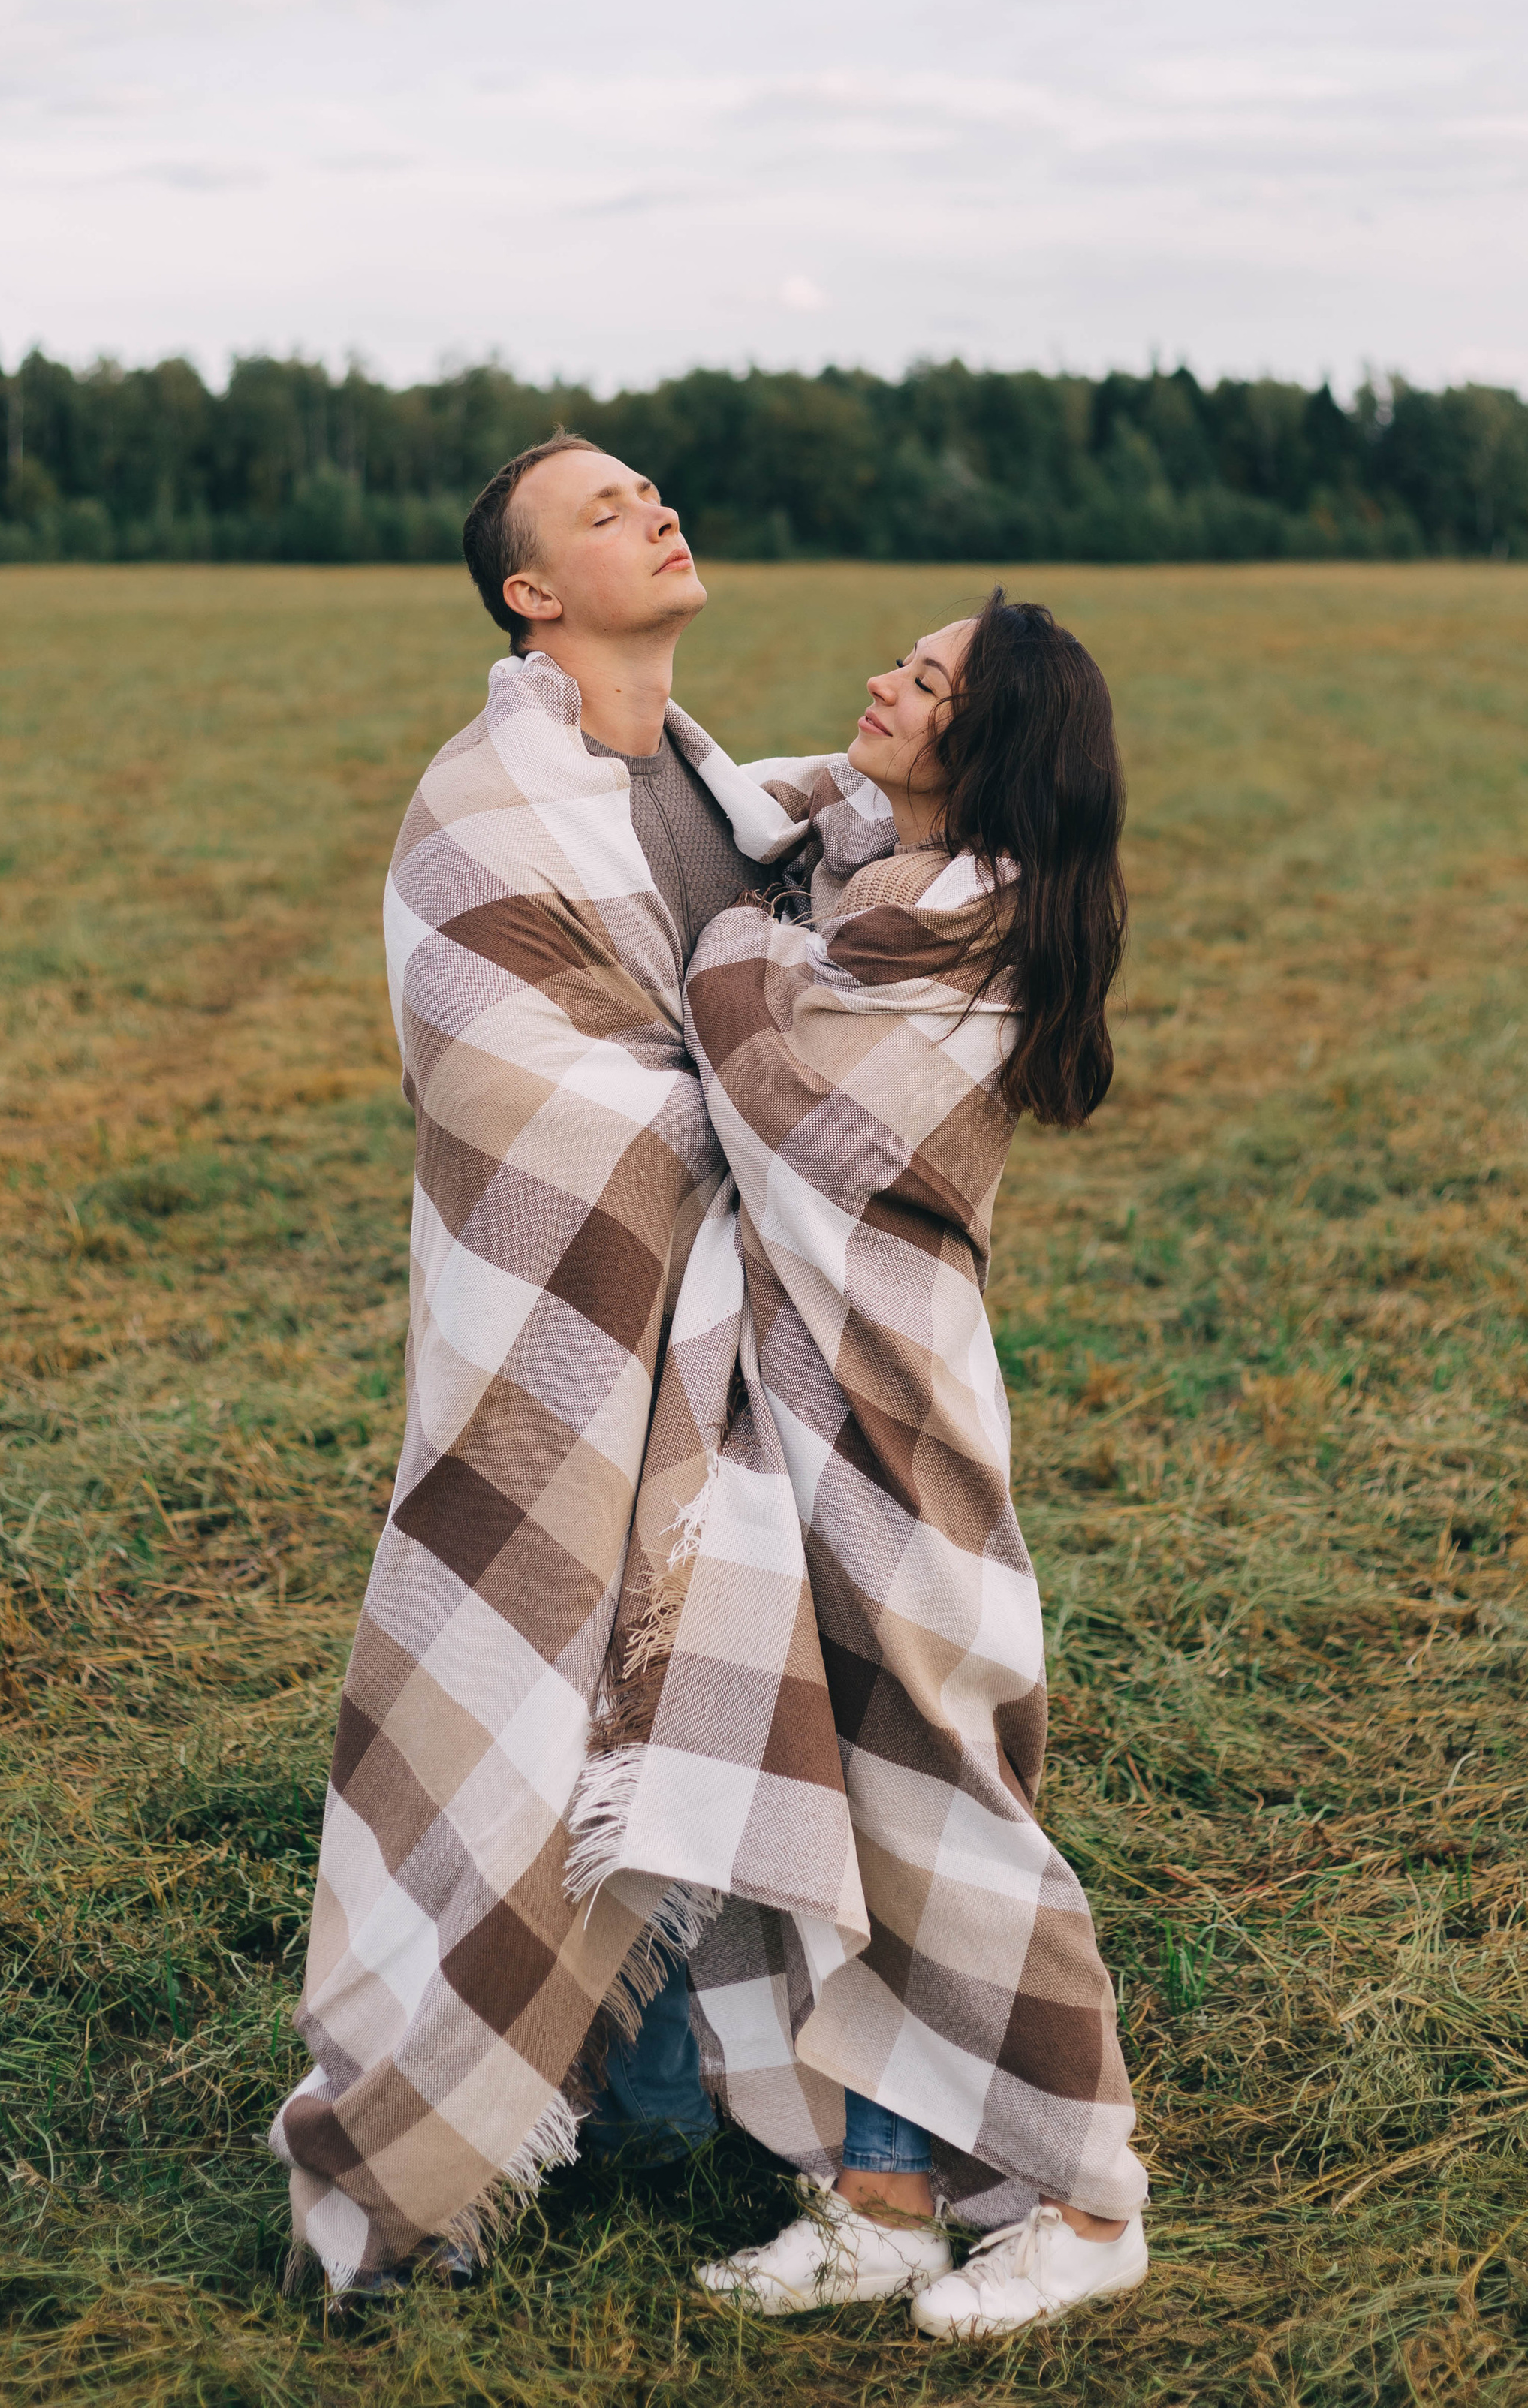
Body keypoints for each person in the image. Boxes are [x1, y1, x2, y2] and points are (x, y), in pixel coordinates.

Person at [270, 432, 819, 2287]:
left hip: (726, 1319)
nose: (655, 507)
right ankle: (499, 2088)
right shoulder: (485, 803)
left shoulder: (709, 783)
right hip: (561, 1328)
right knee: (546, 1675)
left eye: (654, 487)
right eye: (602, 510)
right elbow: (503, 1072)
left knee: (701, 1652)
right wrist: (760, 1125)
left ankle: (685, 2080)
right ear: (530, 593)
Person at [572, 593, 1149, 2340]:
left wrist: (731, 954)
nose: (884, 685)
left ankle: (1081, 2190)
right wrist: (770, 901)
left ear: (989, 749)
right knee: (806, 1779)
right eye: (903, 660)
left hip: (887, 1417)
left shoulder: (956, 929)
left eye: (929, 682)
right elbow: (740, 825)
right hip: (779, 1405)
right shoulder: (850, 880)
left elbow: (807, 1125)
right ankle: (876, 2195)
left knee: (943, 1802)